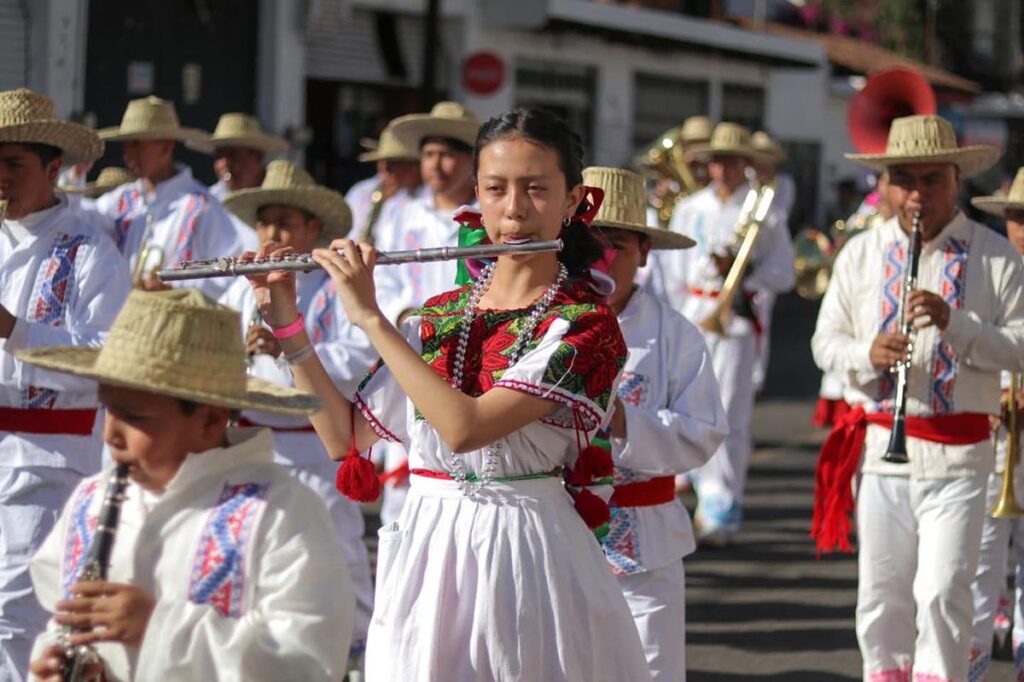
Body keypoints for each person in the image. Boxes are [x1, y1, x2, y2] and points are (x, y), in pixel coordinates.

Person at [250, 106, 653, 681]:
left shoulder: (584, 325)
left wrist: (369, 318)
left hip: (522, 553)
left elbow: (465, 429)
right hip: (426, 553)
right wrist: (286, 322)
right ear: (478, 197)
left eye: (537, 189)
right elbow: (344, 438)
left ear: (573, 203)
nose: (514, 211)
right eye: (496, 189)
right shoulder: (437, 316)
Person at [22, 289, 354, 682]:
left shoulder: (282, 510)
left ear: (211, 421)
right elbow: (58, 615)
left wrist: (156, 627)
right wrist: (56, 662)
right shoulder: (90, 500)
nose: (111, 434)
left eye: (135, 416)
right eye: (107, 408)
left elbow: (308, 663)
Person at [811, 114, 1024, 681]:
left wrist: (959, 325)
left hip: (961, 457)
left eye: (932, 180)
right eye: (904, 180)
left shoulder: (998, 256)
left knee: (941, 594)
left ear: (957, 180)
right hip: (881, 452)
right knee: (880, 599)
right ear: (884, 185)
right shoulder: (859, 253)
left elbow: (1023, 348)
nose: (917, 194)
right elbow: (824, 343)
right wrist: (866, 354)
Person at [219, 159, 377, 666]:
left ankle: (354, 664)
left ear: (312, 228)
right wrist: (239, 353)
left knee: (339, 558)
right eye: (266, 221)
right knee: (251, 562)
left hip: (317, 447)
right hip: (251, 447)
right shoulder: (237, 281)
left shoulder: (335, 286)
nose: (273, 232)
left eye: (286, 222)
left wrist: (292, 346)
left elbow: (359, 360)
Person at [0, 88, 131, 681]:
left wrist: (13, 330)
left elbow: (108, 357)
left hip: (47, 462)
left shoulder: (90, 251)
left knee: (18, 613)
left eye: (13, 165)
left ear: (54, 169)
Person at [585, 166, 728, 680]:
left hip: (644, 543)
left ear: (643, 252)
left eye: (616, 243)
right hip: (556, 538)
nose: (601, 257)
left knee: (650, 668)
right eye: (588, 242)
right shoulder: (541, 324)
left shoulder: (676, 334)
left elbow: (704, 432)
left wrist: (625, 420)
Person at [650, 121, 795, 544]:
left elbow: (783, 272)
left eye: (731, 162)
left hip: (735, 321)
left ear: (746, 164)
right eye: (716, 163)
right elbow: (670, 272)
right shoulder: (690, 208)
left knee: (730, 413)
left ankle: (723, 505)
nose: (722, 171)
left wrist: (743, 274)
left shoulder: (765, 211)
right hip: (695, 314)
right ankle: (697, 491)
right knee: (689, 407)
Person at [369, 101, 481, 524]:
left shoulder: (483, 219)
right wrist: (404, 314)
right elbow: (384, 278)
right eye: (430, 154)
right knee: (404, 462)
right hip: (412, 346)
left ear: (470, 162)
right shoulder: (402, 215)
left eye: (449, 154)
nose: (438, 165)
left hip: (468, 348)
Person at [94, 96, 246, 299]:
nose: (128, 155)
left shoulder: (202, 205)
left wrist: (176, 288)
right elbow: (83, 219)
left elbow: (229, 271)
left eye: (137, 145)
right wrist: (73, 177)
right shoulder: (123, 199)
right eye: (127, 145)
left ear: (166, 147)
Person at [967, 166, 1024, 678]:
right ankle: (972, 665)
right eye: (1016, 218)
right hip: (989, 438)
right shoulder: (982, 274)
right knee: (977, 566)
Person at [346, 123, 422, 244]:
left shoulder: (424, 200)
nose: (385, 168)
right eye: (381, 160)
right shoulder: (361, 192)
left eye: (394, 162)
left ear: (414, 166)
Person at [204, 112, 288, 201]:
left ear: (258, 156)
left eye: (233, 154)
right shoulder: (208, 202)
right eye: (219, 156)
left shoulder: (280, 198)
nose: (224, 164)